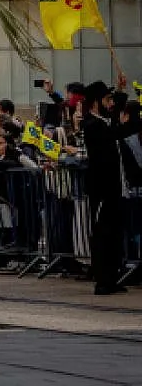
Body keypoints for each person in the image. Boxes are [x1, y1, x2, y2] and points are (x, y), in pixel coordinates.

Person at [83, 83, 126, 295]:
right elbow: (114, 133)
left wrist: (119, 90)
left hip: (113, 187)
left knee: (114, 233)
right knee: (102, 232)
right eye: (107, 99)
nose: (111, 103)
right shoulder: (92, 124)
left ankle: (112, 276)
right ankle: (102, 278)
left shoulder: (104, 122)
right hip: (101, 188)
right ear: (96, 102)